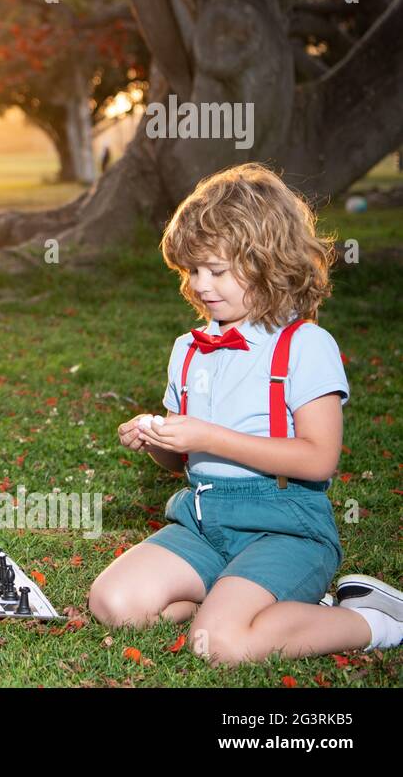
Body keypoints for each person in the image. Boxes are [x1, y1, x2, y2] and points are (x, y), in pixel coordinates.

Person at [89, 163, 403, 665]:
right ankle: (240, 603)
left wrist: (210, 435)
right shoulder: (188, 350)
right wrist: (158, 441)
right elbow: (183, 464)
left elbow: (319, 459)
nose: (201, 285)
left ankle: (372, 620)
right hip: (203, 522)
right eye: (192, 270)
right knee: (113, 603)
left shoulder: (304, 345)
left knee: (223, 646)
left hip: (286, 529)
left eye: (217, 270)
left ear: (267, 261)